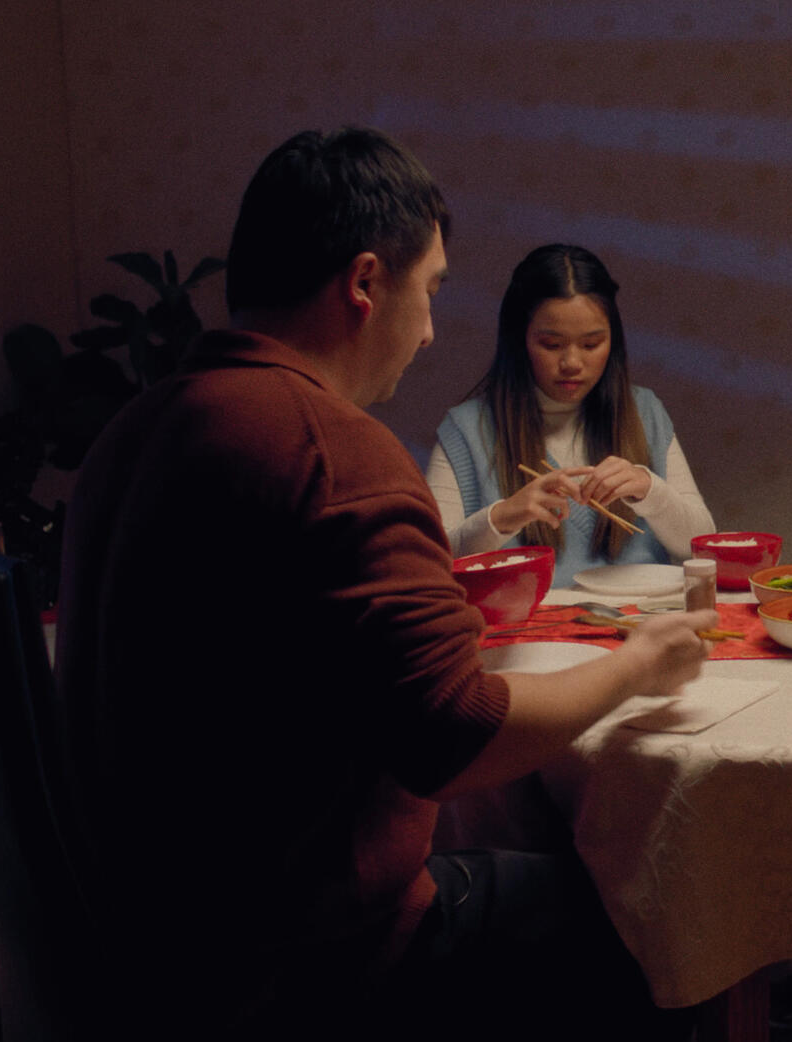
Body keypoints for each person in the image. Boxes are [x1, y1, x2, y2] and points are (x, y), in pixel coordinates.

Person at [53, 127, 712, 1039]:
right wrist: (636, 667)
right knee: (657, 927)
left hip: (147, 942)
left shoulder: (138, 427)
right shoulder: (329, 448)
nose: (432, 326)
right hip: (305, 960)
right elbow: (456, 737)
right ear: (366, 283)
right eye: (431, 289)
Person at [428, 244, 713, 587]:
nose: (572, 363)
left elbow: (704, 548)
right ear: (520, 340)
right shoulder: (468, 430)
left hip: (643, 615)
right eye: (551, 345)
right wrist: (502, 517)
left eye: (591, 344)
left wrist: (651, 490)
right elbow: (429, 563)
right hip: (528, 621)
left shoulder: (644, 412)